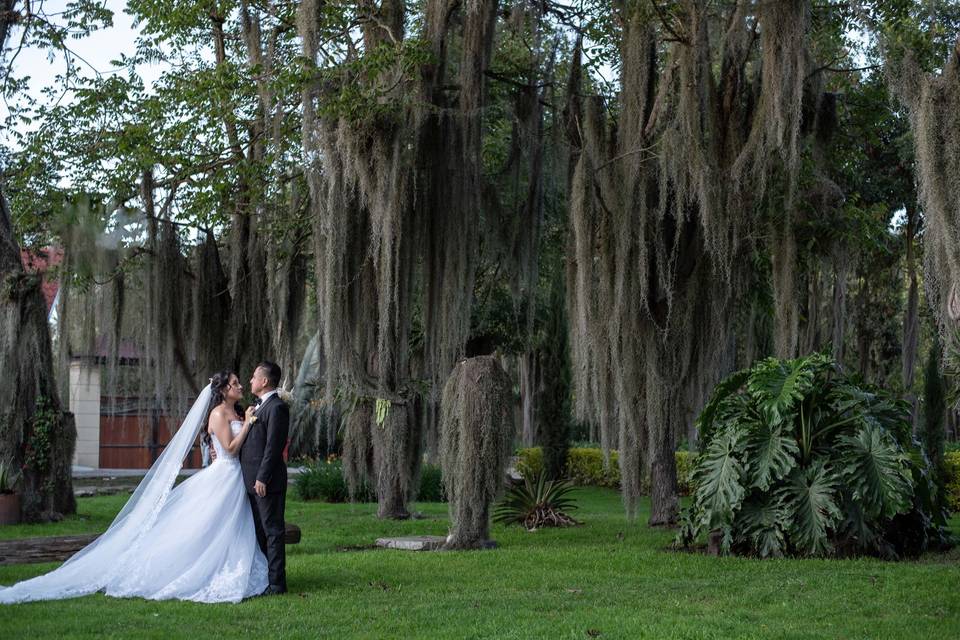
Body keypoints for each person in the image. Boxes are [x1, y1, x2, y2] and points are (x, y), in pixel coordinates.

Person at [0, 371, 269, 604]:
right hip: (223, 474)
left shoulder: (236, 410)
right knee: (208, 527)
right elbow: (231, 449)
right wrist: (247, 423)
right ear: (223, 390)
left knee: (226, 528)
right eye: (235, 383)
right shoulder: (219, 413)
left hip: (233, 478)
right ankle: (194, 570)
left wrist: (245, 420)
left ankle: (222, 567)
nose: (241, 386)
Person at [241, 361, 289, 596]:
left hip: (266, 483)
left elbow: (273, 446)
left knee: (272, 532)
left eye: (253, 377)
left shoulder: (276, 408)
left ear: (264, 381)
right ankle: (264, 580)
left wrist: (262, 477)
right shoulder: (258, 407)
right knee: (259, 532)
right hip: (250, 480)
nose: (250, 381)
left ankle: (277, 584)